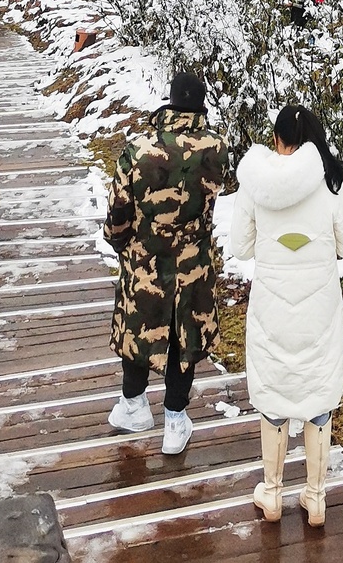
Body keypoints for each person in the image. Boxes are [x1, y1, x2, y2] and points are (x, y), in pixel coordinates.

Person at [231, 103, 343, 528]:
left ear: (276, 140)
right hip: (319, 306)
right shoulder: (333, 182)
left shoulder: (255, 185)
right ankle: (316, 496)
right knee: (317, 395)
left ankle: (271, 492)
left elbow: (240, 247)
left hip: (271, 306)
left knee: (273, 394)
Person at [104, 72, 226, 457]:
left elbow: (119, 207)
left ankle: (134, 405)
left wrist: (119, 241)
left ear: (170, 101)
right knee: (184, 335)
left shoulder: (139, 149)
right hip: (194, 262)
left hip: (145, 257)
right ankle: (175, 420)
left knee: (140, 327)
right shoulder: (218, 148)